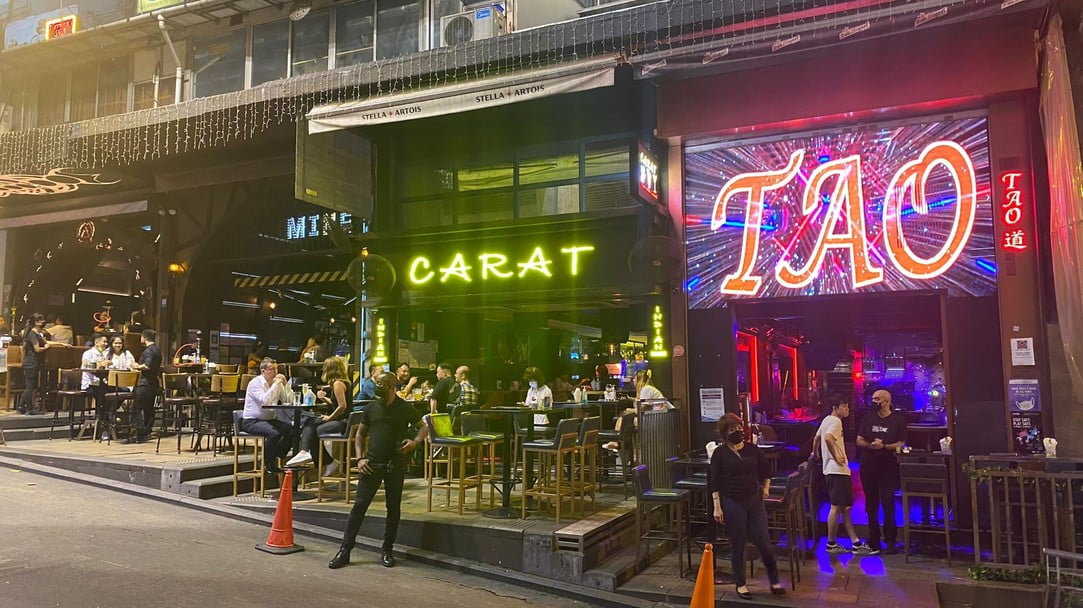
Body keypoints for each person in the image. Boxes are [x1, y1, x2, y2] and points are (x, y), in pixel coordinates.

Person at [329, 371, 426, 570]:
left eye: (380, 384)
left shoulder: (404, 408)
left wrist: (415, 442)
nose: (376, 387)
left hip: (395, 464)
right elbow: (360, 435)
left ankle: (387, 550)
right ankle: (345, 550)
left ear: (391, 386)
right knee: (359, 506)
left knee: (393, 508)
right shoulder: (371, 407)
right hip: (371, 464)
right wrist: (360, 458)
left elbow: (423, 427)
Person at [711, 413, 786, 599]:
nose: (737, 431)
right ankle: (741, 584)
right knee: (738, 544)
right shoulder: (719, 453)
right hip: (732, 501)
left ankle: (775, 581)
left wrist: (766, 488)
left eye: (739, 427)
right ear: (724, 433)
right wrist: (717, 507)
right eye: (732, 429)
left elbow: (767, 470)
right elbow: (714, 481)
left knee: (764, 543)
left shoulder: (753, 449)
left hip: (754, 500)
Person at [813, 395, 874, 555]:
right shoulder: (835, 421)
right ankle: (831, 543)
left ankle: (855, 542)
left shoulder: (826, 420)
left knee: (845, 507)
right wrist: (835, 456)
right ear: (835, 408)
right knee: (836, 507)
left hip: (832, 470)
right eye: (844, 407)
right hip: (837, 470)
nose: (847, 409)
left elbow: (817, 437)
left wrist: (816, 453)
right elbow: (827, 438)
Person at [857, 389, 908, 555]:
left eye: (877, 399)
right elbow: (859, 440)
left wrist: (884, 446)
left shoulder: (898, 420)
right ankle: (873, 539)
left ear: (886, 401)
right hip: (868, 466)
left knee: (888, 502)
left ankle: (891, 540)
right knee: (871, 504)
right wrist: (871, 445)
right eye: (873, 399)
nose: (874, 402)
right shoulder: (867, 418)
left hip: (888, 467)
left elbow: (901, 443)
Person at [288, 356, 351, 473]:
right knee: (311, 424)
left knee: (312, 428)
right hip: (342, 420)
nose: (323, 369)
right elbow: (336, 403)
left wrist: (329, 418)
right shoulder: (342, 383)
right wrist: (324, 398)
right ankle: (323, 459)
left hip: (343, 422)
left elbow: (342, 406)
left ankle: (308, 453)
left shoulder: (338, 384)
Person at [240, 358, 294, 473]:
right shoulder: (255, 383)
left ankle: (276, 456)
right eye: (271, 369)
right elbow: (265, 401)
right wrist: (276, 385)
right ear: (263, 371)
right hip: (252, 421)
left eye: (276, 369)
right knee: (274, 434)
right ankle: (267, 462)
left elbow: (287, 401)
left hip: (270, 419)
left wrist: (285, 385)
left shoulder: (277, 384)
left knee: (292, 429)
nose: (275, 372)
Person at [127, 329, 162, 443]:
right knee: (149, 409)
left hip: (144, 383)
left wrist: (136, 366)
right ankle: (147, 432)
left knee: (136, 408)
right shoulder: (157, 350)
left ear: (144, 338)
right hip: (153, 383)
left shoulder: (148, 351)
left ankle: (139, 432)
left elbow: (147, 365)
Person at [18, 313, 49, 415]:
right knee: (30, 386)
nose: (43, 321)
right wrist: (45, 348)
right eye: (40, 320)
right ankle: (29, 409)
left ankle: (21, 406)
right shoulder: (32, 334)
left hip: (32, 362)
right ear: (36, 322)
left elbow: (45, 341)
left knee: (30, 385)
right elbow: (37, 349)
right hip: (31, 362)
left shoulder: (37, 333)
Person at [80, 333, 110, 422]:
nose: (106, 344)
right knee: (103, 392)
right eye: (104, 342)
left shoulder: (105, 354)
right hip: (90, 384)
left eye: (107, 342)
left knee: (115, 391)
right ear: (96, 343)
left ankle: (105, 416)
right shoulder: (88, 353)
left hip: (102, 383)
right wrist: (100, 364)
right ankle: (100, 417)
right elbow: (84, 365)